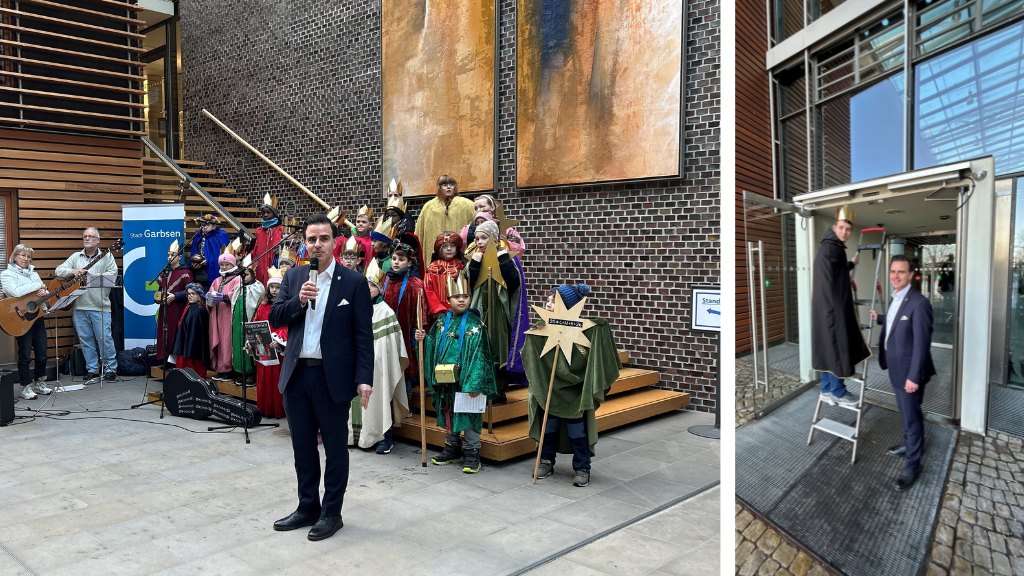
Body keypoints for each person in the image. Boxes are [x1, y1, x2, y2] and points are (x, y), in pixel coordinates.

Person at [269, 213, 373, 541]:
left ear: (334, 242)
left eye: (323, 239)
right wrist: (298, 302)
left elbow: (362, 336)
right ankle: (307, 507)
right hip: (297, 374)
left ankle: (332, 513)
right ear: (304, 242)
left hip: (332, 379)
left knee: (335, 449)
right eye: (311, 239)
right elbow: (275, 315)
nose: (317, 245)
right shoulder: (295, 276)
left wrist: (364, 378)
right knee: (303, 447)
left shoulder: (353, 283)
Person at [526, 284, 620, 489]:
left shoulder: (584, 331)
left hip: (576, 392)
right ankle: (545, 461)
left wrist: (599, 326)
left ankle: (582, 467)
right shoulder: (542, 328)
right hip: (551, 391)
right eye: (548, 300)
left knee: (577, 433)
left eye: (553, 301)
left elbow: (599, 332)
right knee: (548, 429)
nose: (548, 304)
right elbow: (531, 353)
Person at [415, 274, 498, 473]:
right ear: (448, 300)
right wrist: (424, 339)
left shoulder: (476, 326)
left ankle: (472, 454)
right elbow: (433, 346)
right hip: (446, 382)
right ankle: (451, 449)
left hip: (466, 383)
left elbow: (481, 356)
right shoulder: (441, 323)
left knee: (468, 415)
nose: (461, 300)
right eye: (456, 297)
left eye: (465, 296)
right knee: (449, 413)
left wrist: (474, 384)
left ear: (470, 299)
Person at [870, 255, 936, 491]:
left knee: (911, 417)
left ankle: (913, 464)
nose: (895, 276)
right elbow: (897, 320)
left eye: (901, 272)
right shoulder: (896, 297)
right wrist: (880, 318)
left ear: (910, 275)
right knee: (909, 414)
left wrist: (913, 377)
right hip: (897, 368)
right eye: (892, 271)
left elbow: (921, 344)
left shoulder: (919, 303)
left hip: (909, 373)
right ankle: (910, 445)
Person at [811, 204, 869, 407]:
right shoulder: (833, 248)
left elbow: (836, 272)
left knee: (827, 346)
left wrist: (851, 264)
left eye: (848, 229)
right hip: (832, 307)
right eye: (842, 227)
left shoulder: (828, 247)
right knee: (837, 345)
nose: (845, 232)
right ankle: (838, 392)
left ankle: (826, 390)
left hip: (823, 307)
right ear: (835, 227)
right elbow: (835, 277)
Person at [467, 221, 522, 403]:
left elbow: (514, 283)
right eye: (477, 239)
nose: (480, 242)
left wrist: (503, 260)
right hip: (480, 308)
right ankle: (482, 389)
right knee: (481, 346)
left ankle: (498, 388)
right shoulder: (474, 257)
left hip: (499, 309)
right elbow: (469, 284)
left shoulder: (505, 256)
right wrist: (474, 266)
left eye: (484, 238)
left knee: (498, 347)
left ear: (496, 239)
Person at [354, 273, 410, 453]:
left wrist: (377, 359)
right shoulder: (355, 307)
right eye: (365, 284)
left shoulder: (385, 311)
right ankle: (357, 436)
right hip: (357, 362)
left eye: (372, 285)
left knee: (382, 396)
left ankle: (385, 437)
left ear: (380, 289)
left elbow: (392, 344)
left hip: (379, 365)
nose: (368, 288)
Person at [55, 227, 119, 385]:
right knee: (85, 340)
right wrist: (73, 270)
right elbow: (58, 270)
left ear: (98, 240)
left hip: (100, 306)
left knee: (105, 339)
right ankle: (92, 369)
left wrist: (92, 276)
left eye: (91, 236)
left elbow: (112, 275)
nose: (87, 238)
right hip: (79, 306)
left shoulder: (107, 256)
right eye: (85, 236)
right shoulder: (76, 256)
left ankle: (110, 368)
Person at [1, 244, 52, 400]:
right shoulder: (6, 274)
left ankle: (40, 382)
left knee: (42, 353)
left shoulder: (34, 275)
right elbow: (15, 291)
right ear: (15, 256)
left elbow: (42, 293)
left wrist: (46, 294)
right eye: (23, 255)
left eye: (29, 256)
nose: (26, 259)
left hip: (37, 318)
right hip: (20, 319)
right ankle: (25, 386)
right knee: (25, 355)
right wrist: (38, 286)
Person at [382, 243, 426, 399]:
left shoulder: (415, 283)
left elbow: (421, 309)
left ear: (409, 262)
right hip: (387, 330)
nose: (395, 262)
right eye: (394, 258)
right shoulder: (386, 279)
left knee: (403, 363)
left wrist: (417, 329)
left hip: (405, 331)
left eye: (400, 259)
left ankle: (405, 400)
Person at [414, 174, 476, 260]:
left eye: (451, 184)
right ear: (439, 187)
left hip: (459, 255)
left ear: (455, 186)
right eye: (444, 185)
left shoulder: (467, 205)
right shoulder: (429, 207)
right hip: (434, 257)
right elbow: (419, 233)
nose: (448, 187)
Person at [252, 267, 287, 419]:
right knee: (263, 378)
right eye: (272, 287)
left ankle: (278, 410)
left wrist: (278, 341)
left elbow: (287, 327)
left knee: (276, 379)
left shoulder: (284, 307)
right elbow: (255, 323)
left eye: (277, 287)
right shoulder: (263, 306)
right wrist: (252, 340)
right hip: (263, 347)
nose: (274, 290)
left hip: (277, 348)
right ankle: (264, 409)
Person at [156, 240, 194, 364]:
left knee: (175, 333)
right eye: (168, 255)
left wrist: (175, 296)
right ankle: (164, 360)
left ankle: (175, 361)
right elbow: (160, 289)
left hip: (178, 308)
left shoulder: (186, 273)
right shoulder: (164, 273)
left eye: (172, 255)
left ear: (179, 257)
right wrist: (159, 297)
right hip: (165, 309)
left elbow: (190, 291)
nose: (169, 257)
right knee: (164, 332)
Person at [208, 253, 242, 381]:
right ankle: (219, 369)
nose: (224, 267)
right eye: (221, 265)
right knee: (217, 340)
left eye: (226, 264)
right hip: (216, 315)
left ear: (232, 264)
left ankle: (228, 369)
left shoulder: (237, 279)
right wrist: (208, 297)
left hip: (228, 315)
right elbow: (211, 291)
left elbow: (238, 295)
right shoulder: (217, 280)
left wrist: (225, 297)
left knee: (227, 341)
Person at [232, 257, 265, 383]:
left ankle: (252, 373)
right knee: (239, 345)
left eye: (245, 275)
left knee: (251, 345)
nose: (242, 278)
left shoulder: (258, 287)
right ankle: (241, 372)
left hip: (250, 321)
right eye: (240, 275)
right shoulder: (238, 287)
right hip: (237, 322)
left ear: (252, 274)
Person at [169, 284, 211, 375]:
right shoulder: (188, 308)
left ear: (200, 295)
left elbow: (202, 335)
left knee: (193, 373)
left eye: (193, 294)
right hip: (184, 347)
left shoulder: (201, 311)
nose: (190, 296)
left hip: (194, 351)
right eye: (188, 294)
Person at [423, 232, 465, 321]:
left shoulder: (462, 266)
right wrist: (437, 310)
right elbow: (428, 290)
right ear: (440, 249)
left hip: (460, 312)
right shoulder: (432, 268)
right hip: (440, 315)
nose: (449, 249)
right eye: (445, 246)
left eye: (452, 245)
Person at [247, 194, 283, 286]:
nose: (265, 215)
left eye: (268, 212)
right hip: (260, 262)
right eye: (263, 213)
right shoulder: (259, 230)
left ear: (274, 214)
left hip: (273, 262)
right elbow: (255, 248)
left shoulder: (280, 229)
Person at [190, 215, 231, 290]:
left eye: (207, 225)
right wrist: (194, 263)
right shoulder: (198, 236)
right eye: (203, 225)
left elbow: (225, 255)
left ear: (214, 226)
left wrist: (209, 261)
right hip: (199, 274)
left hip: (214, 272)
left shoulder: (220, 236)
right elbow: (195, 252)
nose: (205, 227)